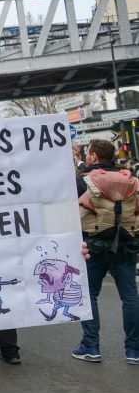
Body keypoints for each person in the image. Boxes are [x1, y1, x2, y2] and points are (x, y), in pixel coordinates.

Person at [71, 138, 139, 364]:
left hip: (93, 246)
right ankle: (134, 350)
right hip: (126, 244)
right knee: (130, 297)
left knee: (89, 296)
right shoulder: (129, 179)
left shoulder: (83, 180)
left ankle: (91, 346)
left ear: (93, 157)